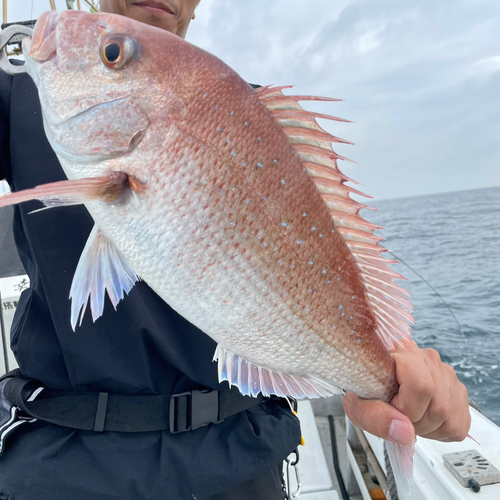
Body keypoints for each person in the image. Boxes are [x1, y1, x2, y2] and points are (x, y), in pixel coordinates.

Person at [0, 1, 470, 499]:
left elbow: (330, 257)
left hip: (241, 460)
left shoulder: (259, 123)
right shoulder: (22, 89)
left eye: (111, 53)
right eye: (113, 54)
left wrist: (395, 377)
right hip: (64, 464)